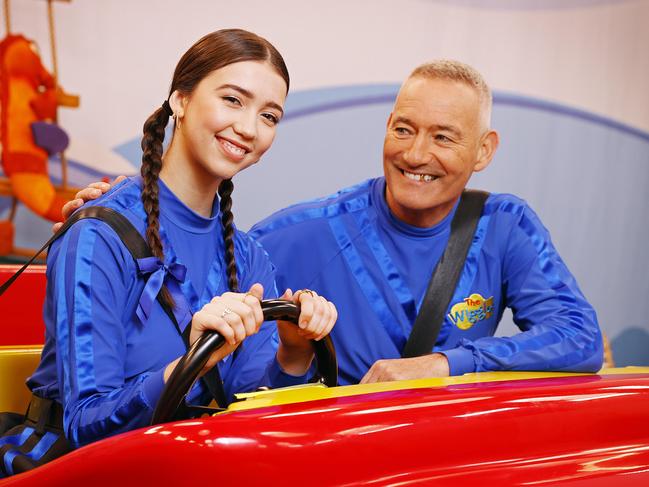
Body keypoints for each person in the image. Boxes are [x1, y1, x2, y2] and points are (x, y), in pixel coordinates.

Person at [60, 60, 603, 388]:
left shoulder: (503, 225)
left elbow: (578, 339)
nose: (416, 154)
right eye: (404, 129)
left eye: (444, 137)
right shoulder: (305, 231)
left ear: (484, 150)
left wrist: (444, 364)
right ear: (386, 127)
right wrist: (118, 214)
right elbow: (201, 252)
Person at [5, 28, 337, 467]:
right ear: (180, 100)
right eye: (233, 100)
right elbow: (85, 427)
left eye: (270, 115)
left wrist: (293, 352)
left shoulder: (250, 256)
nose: (248, 127)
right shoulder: (99, 235)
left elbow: (252, 413)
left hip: (191, 465)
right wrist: (189, 365)